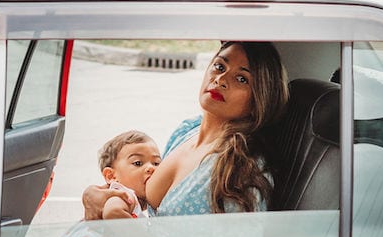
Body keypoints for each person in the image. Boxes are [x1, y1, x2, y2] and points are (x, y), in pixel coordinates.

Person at [85, 42, 287, 219]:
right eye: (219, 66)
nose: (221, 79)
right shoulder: (186, 131)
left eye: (241, 78)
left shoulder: (243, 169)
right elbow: (138, 197)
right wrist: (95, 195)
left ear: (259, 98)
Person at [42, 131, 161, 237]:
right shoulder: (124, 194)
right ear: (111, 176)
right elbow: (113, 213)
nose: (151, 168)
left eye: (156, 163)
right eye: (138, 163)